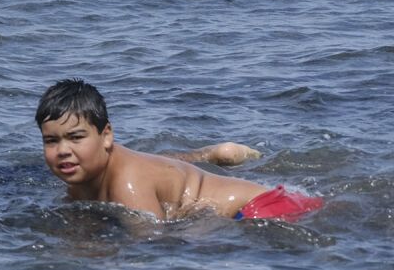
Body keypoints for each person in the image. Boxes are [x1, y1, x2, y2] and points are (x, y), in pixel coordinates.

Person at [35, 78, 319, 221]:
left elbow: (151, 246)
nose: (63, 150)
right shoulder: (83, 178)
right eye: (52, 141)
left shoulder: (128, 182)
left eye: (75, 138)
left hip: (265, 211)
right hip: (271, 202)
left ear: (106, 135)